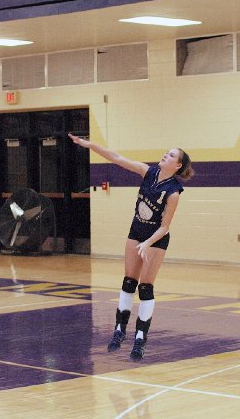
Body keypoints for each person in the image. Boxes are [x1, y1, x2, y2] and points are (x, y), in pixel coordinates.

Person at [68, 133, 194, 361]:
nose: (165, 155)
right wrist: (89, 144)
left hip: (155, 239)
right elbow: (116, 158)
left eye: (171, 155)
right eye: (167, 152)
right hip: (136, 232)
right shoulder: (148, 172)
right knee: (128, 282)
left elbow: (164, 227)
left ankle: (140, 338)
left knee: (145, 287)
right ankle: (119, 330)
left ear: (177, 166)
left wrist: (147, 243)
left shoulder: (173, 192)